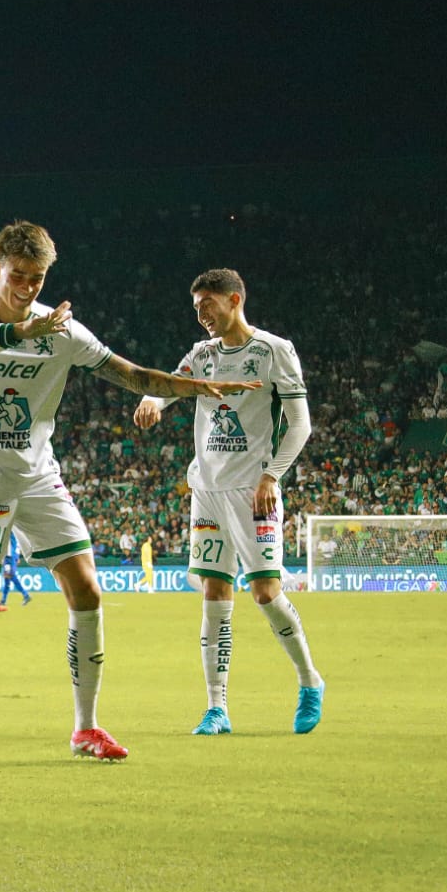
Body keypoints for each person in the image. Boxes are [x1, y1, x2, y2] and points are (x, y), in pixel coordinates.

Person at [0, 220, 259, 765]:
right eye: (18, 275)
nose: (27, 287)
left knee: (88, 592)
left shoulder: (63, 331)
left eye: (37, 278)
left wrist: (195, 387)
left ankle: (86, 728)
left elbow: (132, 374)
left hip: (39, 479)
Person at [133, 267, 323, 735]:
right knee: (214, 594)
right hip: (207, 491)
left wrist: (272, 477)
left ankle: (309, 681)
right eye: (196, 308)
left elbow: (300, 423)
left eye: (208, 305)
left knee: (265, 593)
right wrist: (154, 401)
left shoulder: (274, 351)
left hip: (253, 490)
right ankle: (216, 708)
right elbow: (172, 386)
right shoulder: (202, 354)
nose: (201, 315)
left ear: (235, 300)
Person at [0, 532, 31, 610]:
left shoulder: (10, 532)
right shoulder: (14, 533)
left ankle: (26, 595)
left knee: (11, 576)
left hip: (9, 557)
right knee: (7, 578)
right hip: (10, 557)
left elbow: (9, 544)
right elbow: (16, 545)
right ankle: (3, 599)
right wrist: (17, 557)